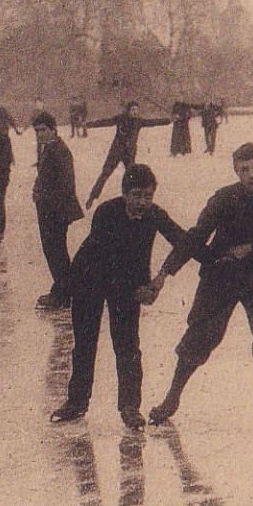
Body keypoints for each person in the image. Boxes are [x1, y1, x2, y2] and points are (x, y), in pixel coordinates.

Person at [146, 143, 253, 430]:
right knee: (200, 335)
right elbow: (196, 236)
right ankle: (172, 398)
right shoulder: (223, 198)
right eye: (244, 170)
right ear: (235, 172)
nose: (252, 175)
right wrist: (165, 273)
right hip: (221, 275)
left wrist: (252, 249)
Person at [51, 163, 191, 429]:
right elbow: (115, 258)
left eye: (148, 195)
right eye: (137, 195)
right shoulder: (106, 212)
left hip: (126, 283)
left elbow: (184, 242)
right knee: (85, 343)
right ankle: (77, 402)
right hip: (89, 279)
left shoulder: (154, 214)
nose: (142, 202)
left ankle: (129, 406)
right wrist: (140, 288)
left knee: (127, 345)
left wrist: (159, 280)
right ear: (125, 194)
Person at [32, 112, 84, 309]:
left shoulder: (59, 150)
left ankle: (63, 295)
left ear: (53, 129)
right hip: (48, 209)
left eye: (43, 130)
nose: (39, 134)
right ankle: (62, 290)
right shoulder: (47, 148)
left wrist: (45, 197)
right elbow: (44, 174)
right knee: (53, 251)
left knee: (56, 252)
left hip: (56, 210)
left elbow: (66, 183)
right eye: (36, 131)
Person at [84, 101, 171, 206]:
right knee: (105, 174)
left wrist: (168, 120)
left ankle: (131, 199)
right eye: (133, 110)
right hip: (116, 151)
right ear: (128, 111)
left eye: (136, 110)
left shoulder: (138, 121)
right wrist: (88, 124)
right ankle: (92, 198)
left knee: (132, 177)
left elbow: (152, 122)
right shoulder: (121, 119)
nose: (135, 112)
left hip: (129, 154)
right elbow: (105, 122)